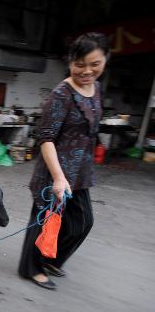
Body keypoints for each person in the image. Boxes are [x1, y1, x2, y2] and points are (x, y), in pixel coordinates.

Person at [18, 33, 109, 290]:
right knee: (45, 222)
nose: (87, 71)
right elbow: (46, 138)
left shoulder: (96, 89)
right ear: (70, 62)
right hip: (55, 171)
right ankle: (31, 268)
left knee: (82, 222)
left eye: (95, 64)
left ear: (104, 61)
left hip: (80, 171)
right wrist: (58, 177)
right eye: (80, 64)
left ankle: (52, 260)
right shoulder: (61, 94)